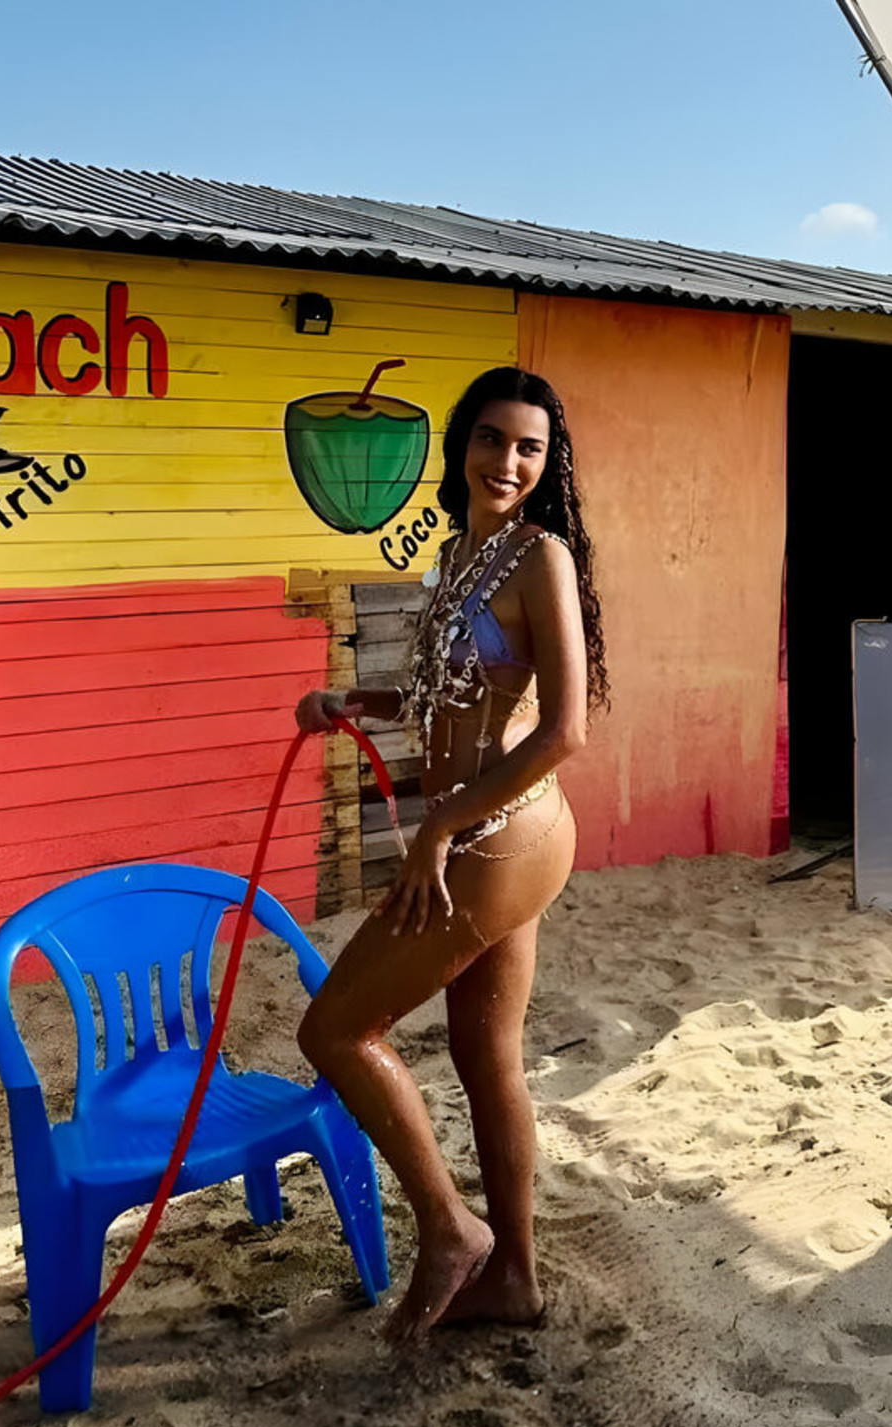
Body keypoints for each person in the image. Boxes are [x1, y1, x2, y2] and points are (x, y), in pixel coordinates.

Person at [295, 367, 609, 1344]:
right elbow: (446, 693)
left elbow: (563, 730)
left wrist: (436, 828)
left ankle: (448, 1228)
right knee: (483, 1052)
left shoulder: (540, 556)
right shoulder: (459, 552)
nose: (507, 461)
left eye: (529, 447)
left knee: (336, 1030)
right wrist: (357, 703)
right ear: (461, 445)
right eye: (490, 438)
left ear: (549, 463)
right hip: (487, 834)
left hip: (499, 837)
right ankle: (513, 1276)